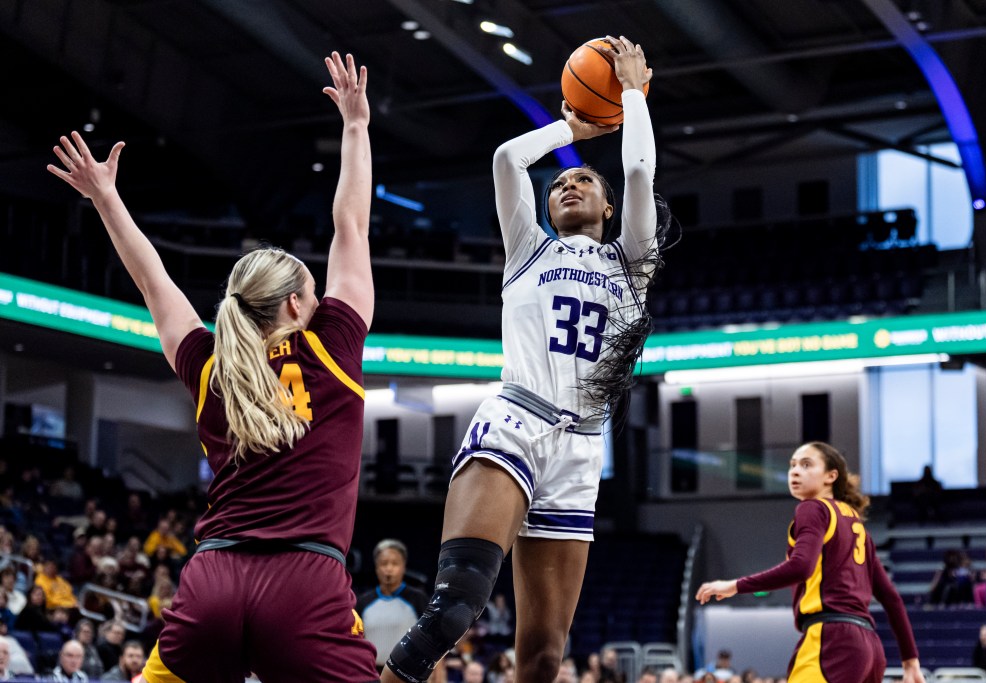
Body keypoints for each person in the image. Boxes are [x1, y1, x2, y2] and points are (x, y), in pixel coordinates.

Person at [48, 50, 376, 683]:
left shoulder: (210, 365)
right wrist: (356, 127)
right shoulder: (331, 346)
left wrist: (105, 199)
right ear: (294, 304)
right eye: (312, 293)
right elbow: (350, 225)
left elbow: (152, 281)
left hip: (213, 580)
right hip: (304, 582)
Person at [383, 35, 664, 683]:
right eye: (560, 182)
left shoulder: (631, 265)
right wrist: (570, 128)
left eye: (584, 179)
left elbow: (643, 171)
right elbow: (509, 158)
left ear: (609, 205)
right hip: (516, 421)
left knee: (542, 654)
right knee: (455, 608)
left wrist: (630, 95)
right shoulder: (528, 249)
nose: (568, 183)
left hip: (581, 451)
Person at [696, 442, 925, 683]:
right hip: (868, 647)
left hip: (831, 641)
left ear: (831, 476)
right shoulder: (856, 525)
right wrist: (910, 662)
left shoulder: (813, 509)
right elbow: (891, 598)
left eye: (806, 465)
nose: (795, 471)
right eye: (792, 466)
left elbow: (800, 567)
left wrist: (734, 585)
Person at [356, 539, 429, 671]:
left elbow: (431, 641)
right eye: (384, 563)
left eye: (395, 564)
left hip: (407, 673)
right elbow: (356, 642)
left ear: (403, 567)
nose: (389, 569)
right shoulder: (363, 602)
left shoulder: (418, 599)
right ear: (376, 567)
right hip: (370, 673)